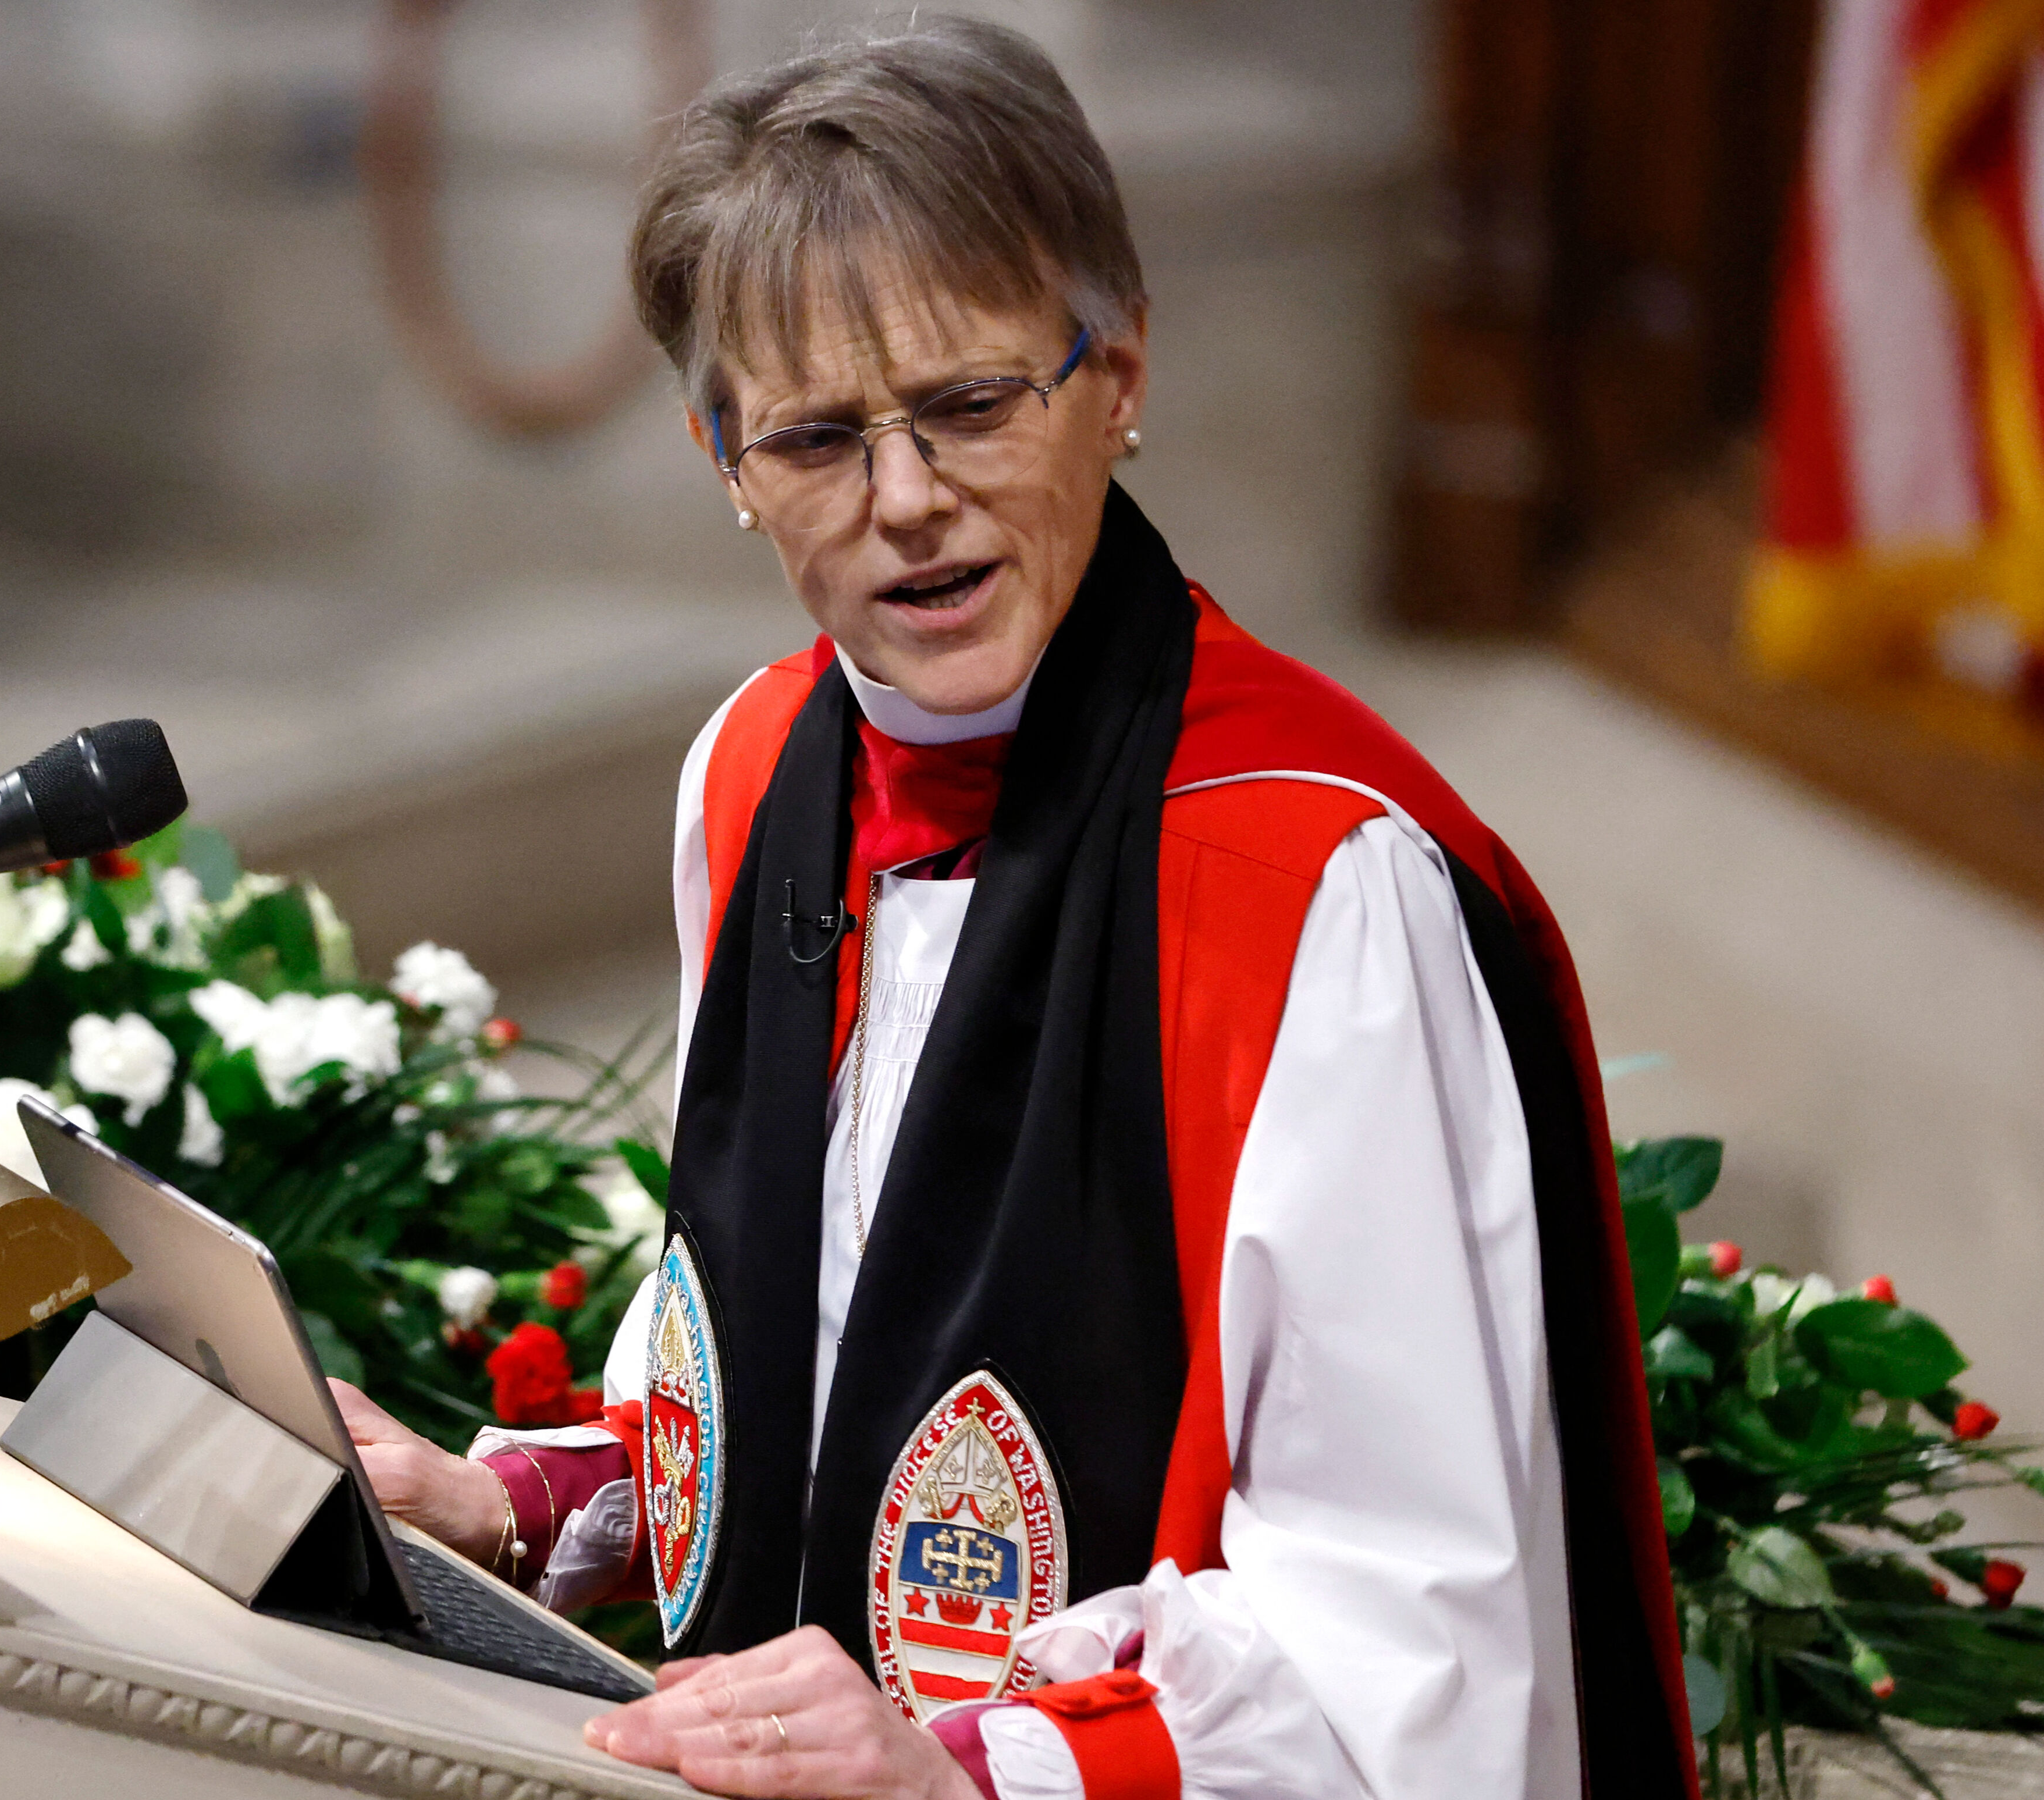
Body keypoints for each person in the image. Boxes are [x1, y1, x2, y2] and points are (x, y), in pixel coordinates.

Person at [330, 18, 1698, 1799]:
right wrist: (519, 1500)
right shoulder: (752, 776)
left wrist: (967, 1770)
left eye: (973, 404)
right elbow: (810, 1387)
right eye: (817, 439)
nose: (908, 504)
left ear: (1118, 373)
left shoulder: (1315, 891)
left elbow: (1410, 1652)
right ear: (723, 459)